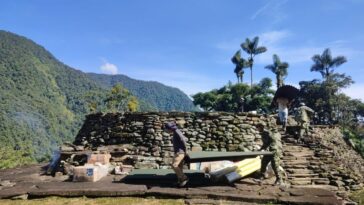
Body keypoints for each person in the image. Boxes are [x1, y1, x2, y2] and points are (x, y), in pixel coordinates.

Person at [164, 122, 189, 187]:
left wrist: (185, 151)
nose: (166, 131)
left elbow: (184, 140)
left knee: (174, 165)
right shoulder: (176, 132)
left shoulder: (177, 132)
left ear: (170, 128)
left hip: (180, 152)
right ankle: (180, 182)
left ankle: (184, 177)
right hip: (179, 152)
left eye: (167, 129)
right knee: (179, 167)